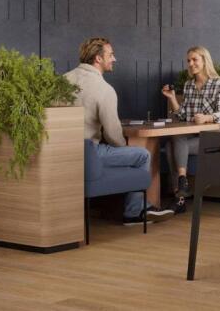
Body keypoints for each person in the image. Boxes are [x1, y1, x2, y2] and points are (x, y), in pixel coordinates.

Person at [65, 37, 174, 225]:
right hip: (88, 153)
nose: (114, 59)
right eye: (111, 55)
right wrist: (124, 145)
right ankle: (134, 211)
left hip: (61, 152)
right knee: (142, 155)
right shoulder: (103, 89)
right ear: (98, 58)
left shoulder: (63, 80)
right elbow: (114, 136)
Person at [161, 46, 220, 213]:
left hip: (213, 136)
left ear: (205, 61)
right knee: (171, 143)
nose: (191, 64)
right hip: (192, 135)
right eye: (188, 61)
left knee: (173, 145)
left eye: (194, 60)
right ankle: (182, 186)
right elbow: (183, 115)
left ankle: (179, 198)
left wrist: (207, 117)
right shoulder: (188, 85)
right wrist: (172, 98)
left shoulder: (219, 84)